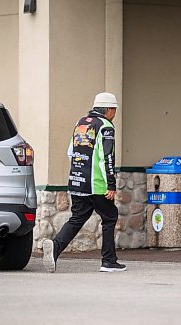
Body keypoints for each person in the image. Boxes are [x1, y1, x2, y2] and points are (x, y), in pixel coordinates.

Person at [43, 92, 126, 273]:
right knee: (110, 217)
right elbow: (107, 158)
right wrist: (110, 184)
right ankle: (108, 261)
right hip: (96, 184)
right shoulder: (106, 127)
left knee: (77, 217)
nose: (115, 114)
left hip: (77, 181)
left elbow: (70, 152)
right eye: (115, 110)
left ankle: (55, 248)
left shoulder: (80, 123)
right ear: (110, 109)